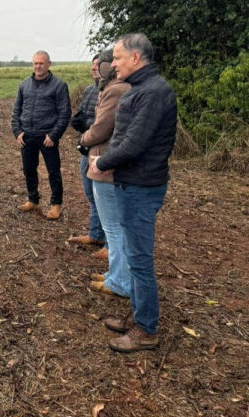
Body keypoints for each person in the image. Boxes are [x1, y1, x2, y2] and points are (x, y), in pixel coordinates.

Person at [89, 33, 177, 353]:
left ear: (136, 59)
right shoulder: (143, 89)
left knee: (140, 259)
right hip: (132, 184)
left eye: (118, 58)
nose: (113, 64)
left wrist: (104, 162)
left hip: (141, 187)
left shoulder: (153, 93)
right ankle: (140, 315)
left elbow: (135, 143)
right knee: (133, 253)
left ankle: (147, 330)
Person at [80, 49, 132, 299]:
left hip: (105, 162)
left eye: (103, 65)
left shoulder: (115, 89)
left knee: (114, 228)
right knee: (117, 227)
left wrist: (84, 138)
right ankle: (116, 274)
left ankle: (119, 281)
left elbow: (100, 128)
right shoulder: (123, 87)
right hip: (113, 161)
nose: (99, 69)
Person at [11, 50, 71, 220]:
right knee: (29, 169)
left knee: (53, 172)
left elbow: (65, 114)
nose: (38, 66)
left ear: (49, 64)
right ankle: (33, 200)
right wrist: (17, 132)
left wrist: (53, 135)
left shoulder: (59, 86)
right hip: (27, 136)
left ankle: (56, 205)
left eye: (41, 63)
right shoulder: (24, 85)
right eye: (35, 63)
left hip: (47, 138)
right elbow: (16, 111)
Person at [67, 54, 107, 252]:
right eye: (92, 65)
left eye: (98, 65)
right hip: (87, 149)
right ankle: (96, 234)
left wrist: (87, 126)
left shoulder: (113, 91)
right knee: (91, 194)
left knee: (106, 198)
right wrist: (79, 123)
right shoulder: (91, 90)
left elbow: (105, 124)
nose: (93, 68)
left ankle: (109, 244)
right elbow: (83, 116)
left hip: (103, 151)